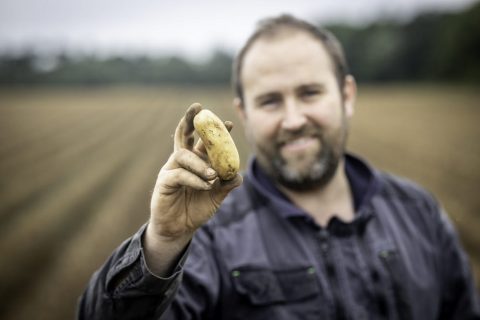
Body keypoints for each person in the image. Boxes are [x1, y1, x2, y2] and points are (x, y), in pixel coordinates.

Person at [77, 14, 480, 319]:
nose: (292, 119)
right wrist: (163, 242)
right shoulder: (206, 239)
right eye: (270, 101)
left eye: (310, 93)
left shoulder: (418, 211)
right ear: (244, 114)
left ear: (347, 95)